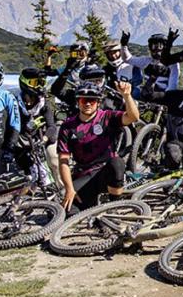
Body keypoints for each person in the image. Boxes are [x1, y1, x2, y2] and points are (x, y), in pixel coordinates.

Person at [57, 80, 140, 212]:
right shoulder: (68, 126)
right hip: (85, 174)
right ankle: (93, 204)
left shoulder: (107, 117)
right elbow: (63, 161)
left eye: (92, 100)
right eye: (84, 100)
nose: (88, 103)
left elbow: (133, 117)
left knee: (117, 163)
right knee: (68, 211)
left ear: (98, 102)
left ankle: (114, 206)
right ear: (78, 102)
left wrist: (127, 96)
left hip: (106, 171)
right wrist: (69, 189)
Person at [16, 67, 59, 185]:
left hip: (42, 140)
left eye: (42, 83)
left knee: (54, 160)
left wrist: (44, 140)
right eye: (36, 83)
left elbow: (52, 127)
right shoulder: (15, 103)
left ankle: (62, 189)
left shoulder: (44, 103)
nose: (39, 86)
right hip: (21, 141)